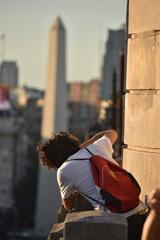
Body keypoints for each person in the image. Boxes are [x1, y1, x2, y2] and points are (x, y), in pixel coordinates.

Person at [38, 130, 118, 211]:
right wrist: (81, 147)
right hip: (130, 198)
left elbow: (68, 205)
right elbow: (112, 133)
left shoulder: (63, 170)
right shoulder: (94, 147)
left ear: (54, 162)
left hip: (115, 214)